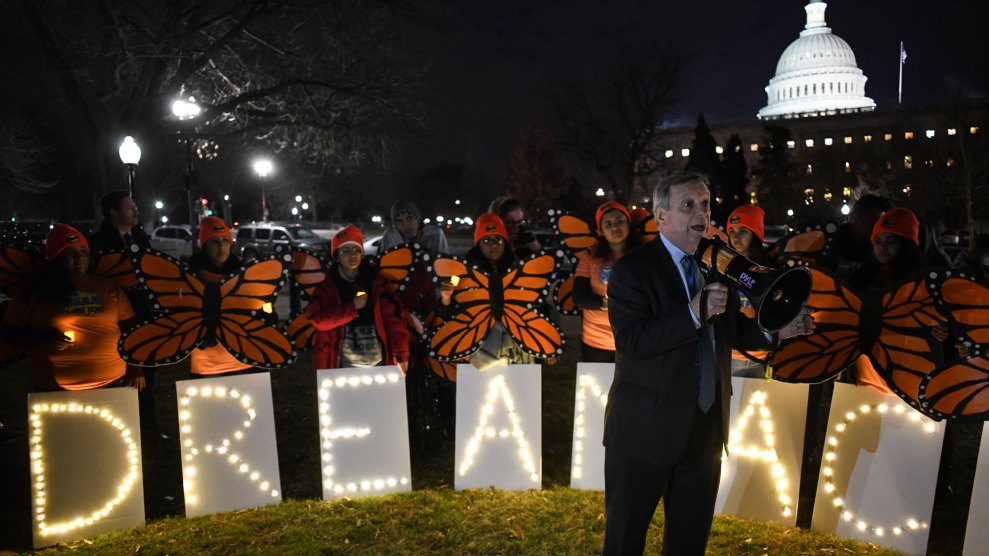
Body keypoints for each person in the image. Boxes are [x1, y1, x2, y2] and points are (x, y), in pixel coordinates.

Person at [602, 172, 813, 555]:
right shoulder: (632, 270)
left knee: (688, 542)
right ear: (660, 215)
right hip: (644, 434)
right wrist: (692, 314)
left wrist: (779, 333)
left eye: (705, 205)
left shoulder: (719, 263)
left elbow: (731, 334)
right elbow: (632, 342)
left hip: (705, 430)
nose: (701, 213)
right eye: (688, 205)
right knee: (624, 540)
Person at [0, 224, 144, 392]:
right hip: (54, 391)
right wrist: (43, 338)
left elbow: (130, 328)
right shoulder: (33, 290)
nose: (79, 258)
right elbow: (10, 332)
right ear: (55, 258)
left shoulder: (108, 286)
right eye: (70, 253)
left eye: (83, 251)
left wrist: (135, 368)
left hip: (112, 384)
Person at [88, 190, 159, 429]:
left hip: (144, 316)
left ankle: (148, 425)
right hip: (116, 318)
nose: (136, 211)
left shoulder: (140, 238)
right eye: (130, 207)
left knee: (147, 373)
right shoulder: (99, 244)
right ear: (113, 213)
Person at [305, 225, 409, 372]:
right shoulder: (327, 287)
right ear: (337, 255)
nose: (352, 255)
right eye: (345, 251)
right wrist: (351, 308)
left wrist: (400, 354)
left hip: (378, 363)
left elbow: (394, 321)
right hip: (340, 364)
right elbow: (318, 320)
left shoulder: (376, 282)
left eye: (356, 250)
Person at [186, 216, 254, 377]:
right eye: (214, 241)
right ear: (204, 246)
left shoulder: (243, 276)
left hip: (242, 359)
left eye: (225, 240)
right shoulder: (191, 278)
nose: (221, 246)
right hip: (206, 364)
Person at [572, 201, 640, 362]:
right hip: (596, 343)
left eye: (619, 221)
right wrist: (609, 303)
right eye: (608, 224)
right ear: (600, 231)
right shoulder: (590, 257)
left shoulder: (643, 255)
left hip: (634, 340)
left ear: (629, 224)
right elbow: (579, 297)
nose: (615, 227)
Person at [725, 204, 772, 377]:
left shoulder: (769, 271)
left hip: (761, 354)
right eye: (732, 231)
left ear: (756, 234)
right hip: (731, 354)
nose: (736, 237)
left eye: (743, 231)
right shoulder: (723, 269)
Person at [379, 199, 449, 255]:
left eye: (409, 218)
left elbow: (443, 265)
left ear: (418, 219)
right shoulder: (391, 235)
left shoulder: (435, 234)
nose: (405, 225)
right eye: (399, 221)